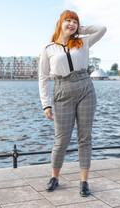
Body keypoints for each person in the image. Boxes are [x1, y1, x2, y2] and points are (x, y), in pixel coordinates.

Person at [39, 10, 107, 196]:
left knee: (85, 138)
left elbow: (102, 29)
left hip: (85, 88)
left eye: (75, 21)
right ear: (59, 23)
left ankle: (84, 181)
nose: (71, 23)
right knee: (61, 140)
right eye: (67, 20)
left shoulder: (83, 42)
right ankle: (54, 177)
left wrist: (78, 29)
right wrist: (46, 104)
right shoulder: (48, 49)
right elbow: (43, 78)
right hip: (62, 91)